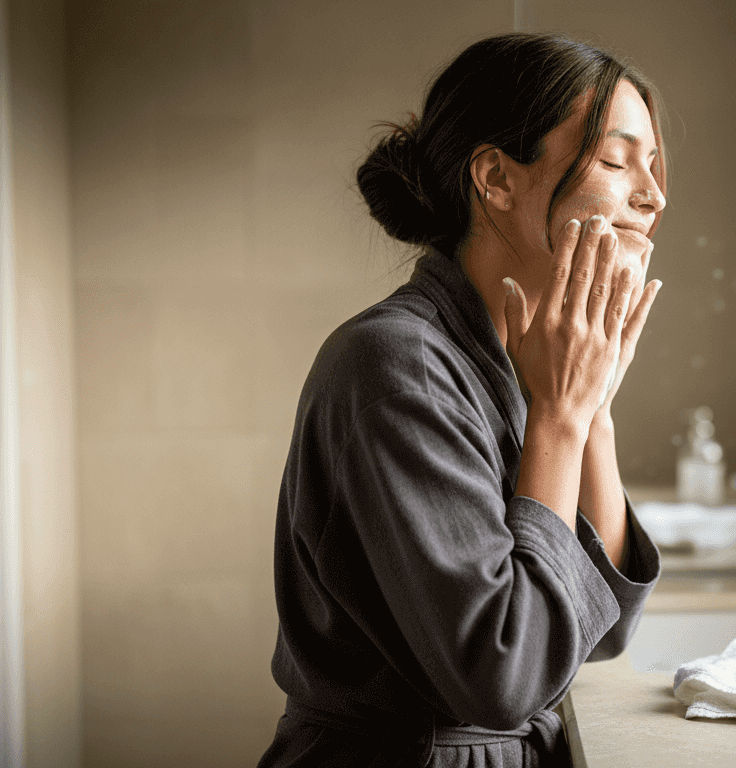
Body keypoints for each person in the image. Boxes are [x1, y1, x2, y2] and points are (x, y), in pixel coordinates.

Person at [257, 32, 666, 768]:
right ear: (496, 178)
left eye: (653, 164)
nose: (652, 194)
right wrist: (561, 418)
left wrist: (592, 411)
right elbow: (506, 675)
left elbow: (599, 632)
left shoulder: (517, 362)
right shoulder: (397, 365)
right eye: (615, 160)